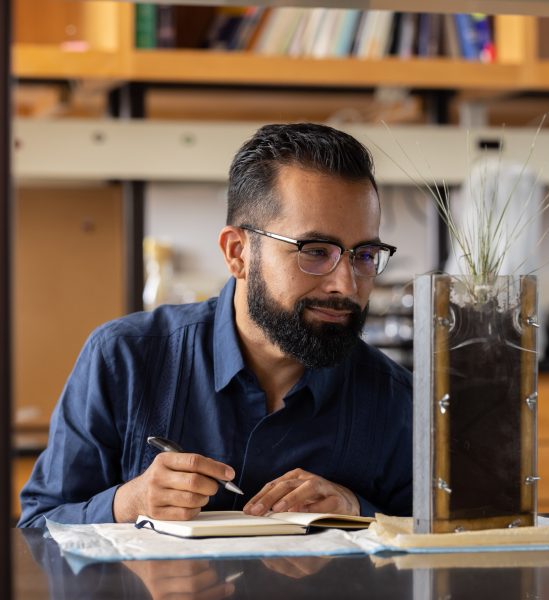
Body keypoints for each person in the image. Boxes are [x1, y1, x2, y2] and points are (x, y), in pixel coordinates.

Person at [18, 123, 412, 527]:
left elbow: (441, 545)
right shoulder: (123, 360)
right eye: (314, 251)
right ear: (238, 252)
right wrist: (127, 504)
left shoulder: (397, 400)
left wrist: (360, 513)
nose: (346, 284)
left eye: (364, 255)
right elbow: (37, 529)